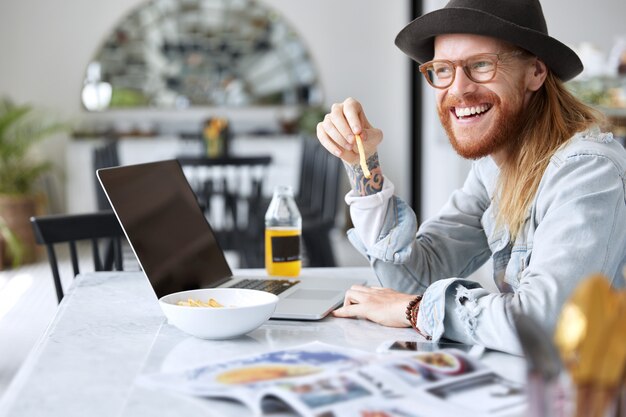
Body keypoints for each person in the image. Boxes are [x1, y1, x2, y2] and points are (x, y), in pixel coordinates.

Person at [316, 0, 626, 354]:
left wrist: (415, 310)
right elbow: (416, 275)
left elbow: (544, 323)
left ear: (536, 73)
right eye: (443, 70)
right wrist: (362, 162)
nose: (458, 90)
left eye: (481, 65)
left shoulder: (587, 170)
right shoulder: (493, 167)